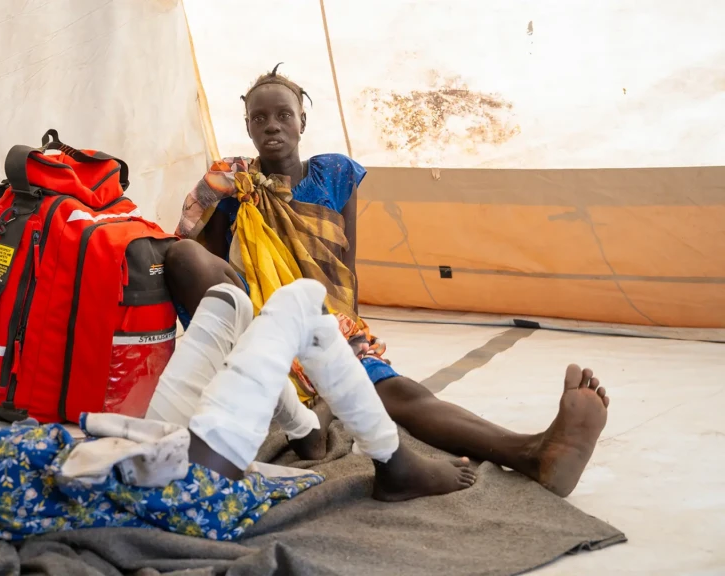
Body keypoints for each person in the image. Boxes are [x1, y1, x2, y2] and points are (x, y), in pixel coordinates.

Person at [161, 65, 611, 497]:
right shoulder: (230, 183)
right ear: (246, 125)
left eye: (283, 115)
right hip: (259, 326)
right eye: (259, 118)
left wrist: (344, 341)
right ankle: (306, 404)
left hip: (326, 320)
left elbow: (344, 272)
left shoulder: (335, 174)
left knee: (403, 393)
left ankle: (534, 453)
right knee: (185, 259)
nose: (272, 126)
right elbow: (216, 270)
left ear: (303, 121)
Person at [0, 280, 476, 549]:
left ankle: (303, 433)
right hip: (186, 481)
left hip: (155, 446)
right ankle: (395, 463)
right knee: (302, 300)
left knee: (224, 302)